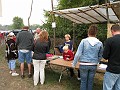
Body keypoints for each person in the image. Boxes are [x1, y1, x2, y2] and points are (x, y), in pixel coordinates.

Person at [72, 25, 103, 90]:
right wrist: (97, 62)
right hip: (93, 65)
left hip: (83, 65)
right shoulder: (100, 43)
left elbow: (78, 54)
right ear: (96, 33)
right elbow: (100, 55)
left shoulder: (84, 41)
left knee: (83, 82)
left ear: (88, 32)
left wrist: (74, 64)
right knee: (90, 82)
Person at [103, 24, 120, 90]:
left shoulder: (110, 40)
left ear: (112, 31)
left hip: (112, 69)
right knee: (118, 88)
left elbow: (105, 56)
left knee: (108, 88)